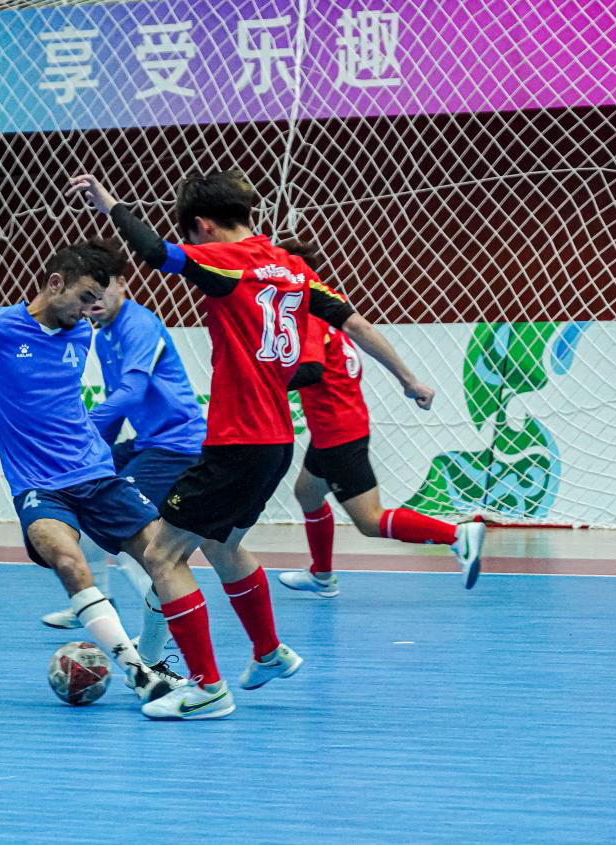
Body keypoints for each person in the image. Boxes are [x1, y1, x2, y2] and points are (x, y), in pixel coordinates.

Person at [68, 169, 436, 719]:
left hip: (237, 441)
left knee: (162, 554)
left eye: (191, 234)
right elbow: (355, 323)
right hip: (276, 443)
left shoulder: (226, 262)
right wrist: (409, 378)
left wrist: (111, 205)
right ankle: (268, 653)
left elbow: (153, 252)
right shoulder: (292, 268)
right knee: (222, 547)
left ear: (202, 225)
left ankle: (207, 690)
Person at [0, 243, 187, 709]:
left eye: (96, 301)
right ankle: (137, 673)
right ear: (55, 283)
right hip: (38, 486)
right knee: (67, 560)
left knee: (166, 561)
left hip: (95, 473)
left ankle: (153, 659)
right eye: (84, 298)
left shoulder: (80, 334)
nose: (89, 311)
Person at [274, 239, 485, 596]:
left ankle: (457, 536)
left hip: (337, 433)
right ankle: (322, 576)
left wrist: (257, 380)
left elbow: (309, 371)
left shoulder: (305, 316)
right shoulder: (330, 308)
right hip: (339, 424)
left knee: (370, 520)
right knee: (307, 493)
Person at [39, 239, 207, 679]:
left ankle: (162, 619)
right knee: (85, 495)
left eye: (104, 288)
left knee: (134, 533)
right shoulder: (105, 334)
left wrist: (82, 428)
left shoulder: (139, 325)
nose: (95, 300)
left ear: (123, 286)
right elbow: (119, 411)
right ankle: (99, 597)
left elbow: (131, 393)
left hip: (176, 445)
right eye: (88, 292)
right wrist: (90, 453)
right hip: (148, 441)